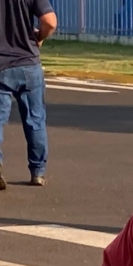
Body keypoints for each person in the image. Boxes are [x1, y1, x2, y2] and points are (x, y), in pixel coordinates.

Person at [0, 0, 57, 190]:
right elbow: (50, 21)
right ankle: (38, 172)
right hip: (29, 63)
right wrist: (39, 37)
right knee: (35, 119)